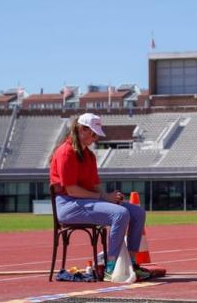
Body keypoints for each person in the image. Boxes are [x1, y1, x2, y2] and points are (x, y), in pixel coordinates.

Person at [49, 113, 152, 281]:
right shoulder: (65, 153)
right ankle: (111, 268)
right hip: (68, 205)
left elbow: (95, 186)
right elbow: (72, 191)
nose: (95, 138)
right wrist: (104, 198)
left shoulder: (89, 156)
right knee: (119, 214)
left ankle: (132, 264)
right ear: (82, 130)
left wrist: (109, 197)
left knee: (137, 212)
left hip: (86, 202)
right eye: (93, 134)